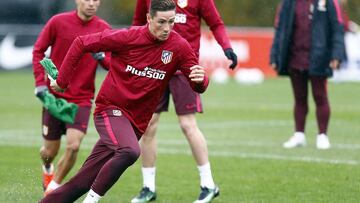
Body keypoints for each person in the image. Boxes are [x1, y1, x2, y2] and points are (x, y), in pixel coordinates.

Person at [39, 0, 209, 202]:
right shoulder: (127, 37)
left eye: (172, 22)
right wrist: (62, 81)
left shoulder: (179, 45)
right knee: (129, 151)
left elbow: (197, 82)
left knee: (84, 180)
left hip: (136, 122)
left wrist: (201, 81)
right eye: (161, 22)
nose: (167, 28)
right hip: (109, 110)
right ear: (149, 18)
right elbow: (81, 43)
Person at [131, 0, 237, 202]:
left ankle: (208, 185)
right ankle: (148, 188)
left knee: (188, 124)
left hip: (184, 69)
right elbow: (137, 22)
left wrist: (227, 46)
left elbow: (216, 23)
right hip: (154, 68)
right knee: (148, 125)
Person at [32, 0, 110, 195]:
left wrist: (102, 58)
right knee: (49, 152)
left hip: (82, 98)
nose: (92, 3)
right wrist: (40, 84)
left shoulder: (104, 29)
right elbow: (38, 50)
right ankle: (47, 169)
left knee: (74, 146)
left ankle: (53, 189)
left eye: (96, 0)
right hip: (55, 97)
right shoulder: (58, 22)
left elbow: (114, 63)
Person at [270, 0, 345, 150]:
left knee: (320, 96)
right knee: (299, 98)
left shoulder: (327, 2)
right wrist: (274, 55)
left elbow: (337, 27)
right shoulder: (288, 3)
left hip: (319, 57)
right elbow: (280, 28)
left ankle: (322, 135)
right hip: (295, 56)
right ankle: (299, 135)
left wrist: (336, 54)